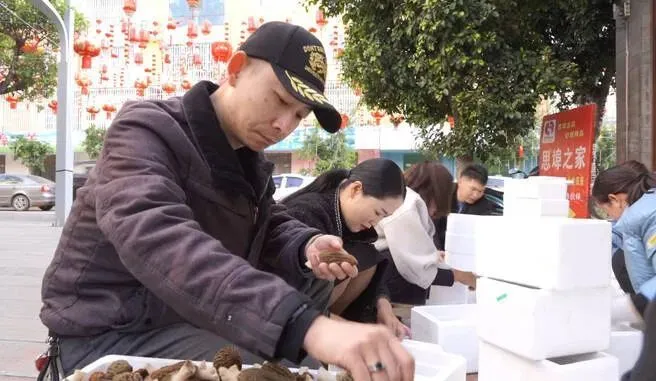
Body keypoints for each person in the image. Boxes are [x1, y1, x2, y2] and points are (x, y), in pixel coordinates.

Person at [38, 21, 414, 381]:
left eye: (299, 115)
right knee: (269, 365)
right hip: (114, 330)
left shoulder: (249, 163)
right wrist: (307, 326)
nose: (283, 125)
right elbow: (160, 238)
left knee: (306, 307)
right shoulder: (146, 131)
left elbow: (268, 225)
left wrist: (308, 244)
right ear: (236, 68)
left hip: (185, 317)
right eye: (280, 99)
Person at [278, 158, 409, 338]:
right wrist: (353, 331)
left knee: (364, 256)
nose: (375, 222)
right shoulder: (306, 213)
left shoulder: (348, 222)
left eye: (383, 217)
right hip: (280, 313)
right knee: (346, 261)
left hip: (313, 309)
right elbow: (283, 292)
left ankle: (330, 323)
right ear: (355, 190)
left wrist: (384, 308)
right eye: (378, 212)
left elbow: (371, 269)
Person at [375, 161, 477, 306]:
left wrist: (434, 255)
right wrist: (459, 276)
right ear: (434, 192)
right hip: (382, 280)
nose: (436, 211)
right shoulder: (407, 206)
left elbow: (413, 249)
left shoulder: (407, 199)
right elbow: (414, 268)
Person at [592, 162, 656, 318]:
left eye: (606, 211)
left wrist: (633, 305)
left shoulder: (649, 217)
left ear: (614, 199)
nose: (611, 217)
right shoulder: (643, 211)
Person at [434, 163, 498, 249]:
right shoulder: (442, 196)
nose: (475, 195)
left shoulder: (484, 206)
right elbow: (431, 229)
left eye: (480, 191)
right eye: (473, 189)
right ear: (460, 181)